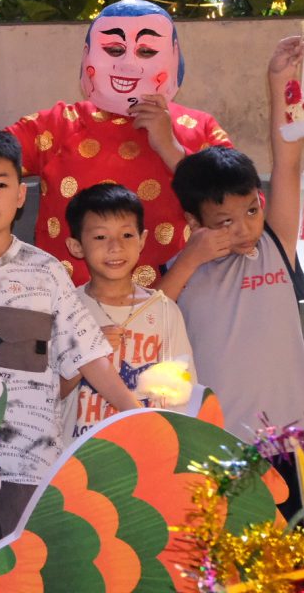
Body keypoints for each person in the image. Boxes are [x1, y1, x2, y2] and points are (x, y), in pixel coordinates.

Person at [0, 127, 140, 547]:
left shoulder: (46, 272)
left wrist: (139, 415)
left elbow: (89, 355)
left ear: (21, 195)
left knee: (28, 570)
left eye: (0, 185)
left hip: (30, 466)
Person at [0, 0, 232, 286]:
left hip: (174, 311)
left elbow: (242, 210)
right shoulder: (57, 125)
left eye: (147, 51)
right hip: (66, 312)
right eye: (114, 49)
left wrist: (172, 150)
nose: (129, 64)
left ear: (174, 56)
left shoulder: (199, 128)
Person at [163, 35, 304, 448]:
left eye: (251, 211)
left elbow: (287, 161)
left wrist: (278, 80)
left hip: (296, 440)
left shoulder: (274, 243)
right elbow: (151, 317)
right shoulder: (180, 270)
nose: (244, 228)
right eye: (225, 221)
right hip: (221, 448)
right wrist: (189, 261)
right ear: (193, 221)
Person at [59, 183, 195, 443]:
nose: (116, 247)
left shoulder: (163, 309)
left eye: (127, 235)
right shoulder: (65, 308)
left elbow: (181, 395)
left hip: (146, 448)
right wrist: (87, 351)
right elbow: (49, 394)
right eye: (100, 237)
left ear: (142, 240)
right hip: (78, 452)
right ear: (76, 246)